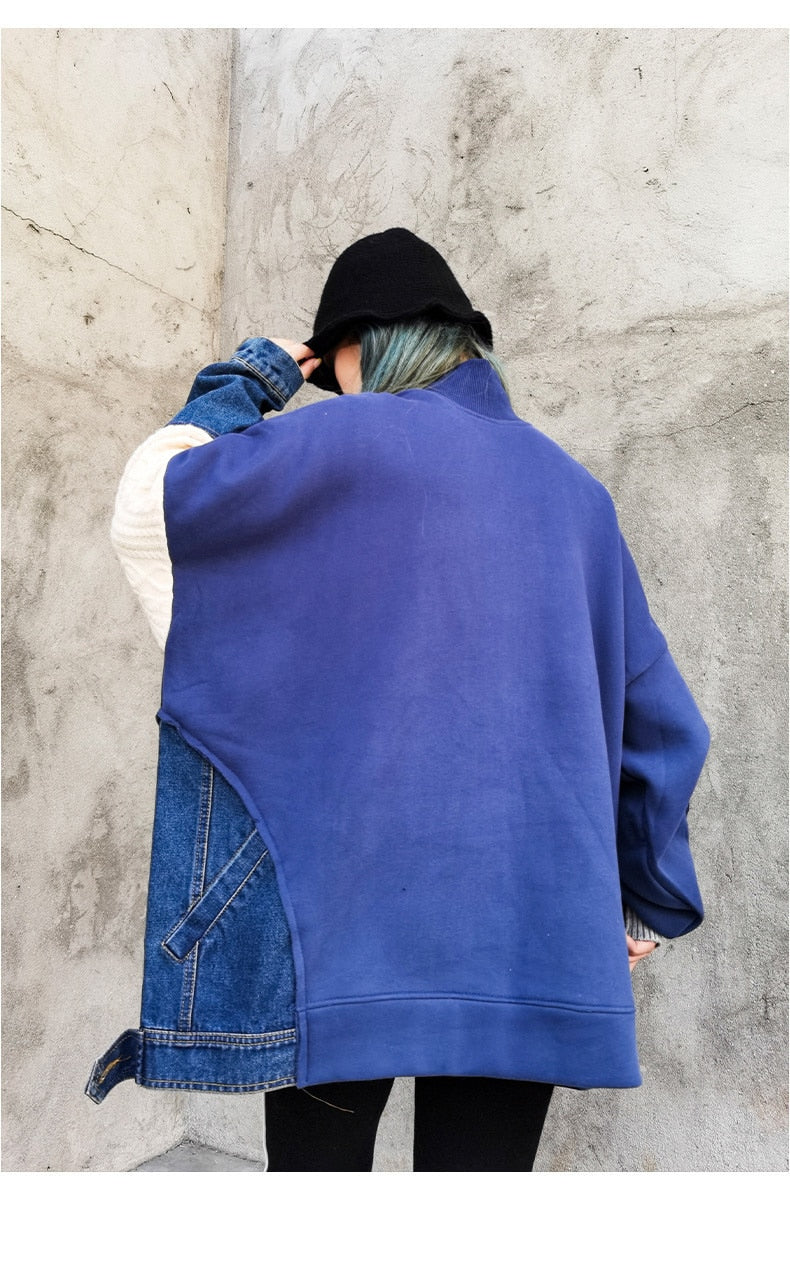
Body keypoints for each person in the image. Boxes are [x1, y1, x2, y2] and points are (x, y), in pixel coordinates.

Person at [88, 228, 708, 1172]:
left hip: (339, 928)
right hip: (530, 931)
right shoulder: (576, 494)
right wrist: (645, 899)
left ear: (356, 342)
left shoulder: (324, 444)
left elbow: (149, 508)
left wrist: (257, 373)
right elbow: (658, 718)